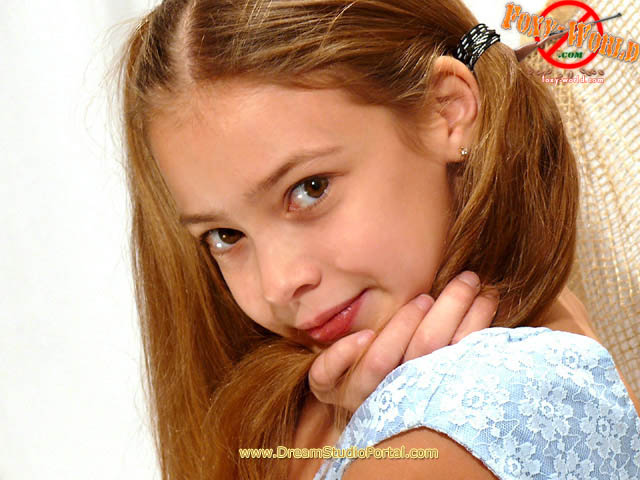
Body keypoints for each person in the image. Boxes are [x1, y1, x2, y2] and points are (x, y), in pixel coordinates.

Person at [115, 0, 640, 479]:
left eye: (309, 189)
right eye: (225, 235)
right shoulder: (324, 410)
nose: (277, 284)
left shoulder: (473, 415)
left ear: (447, 110)